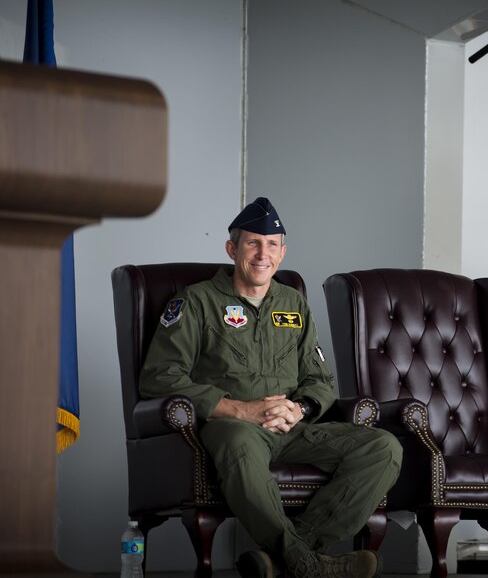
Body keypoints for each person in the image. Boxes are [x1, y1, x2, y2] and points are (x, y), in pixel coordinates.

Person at [140, 197, 402, 578]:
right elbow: (160, 377)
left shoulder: (293, 303)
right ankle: (305, 563)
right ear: (232, 248)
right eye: (252, 243)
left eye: (272, 244)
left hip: (292, 428)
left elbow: (319, 379)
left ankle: (289, 556)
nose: (263, 253)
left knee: (383, 447)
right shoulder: (195, 302)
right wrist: (239, 409)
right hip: (234, 427)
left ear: (282, 253)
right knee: (238, 443)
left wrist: (301, 410)